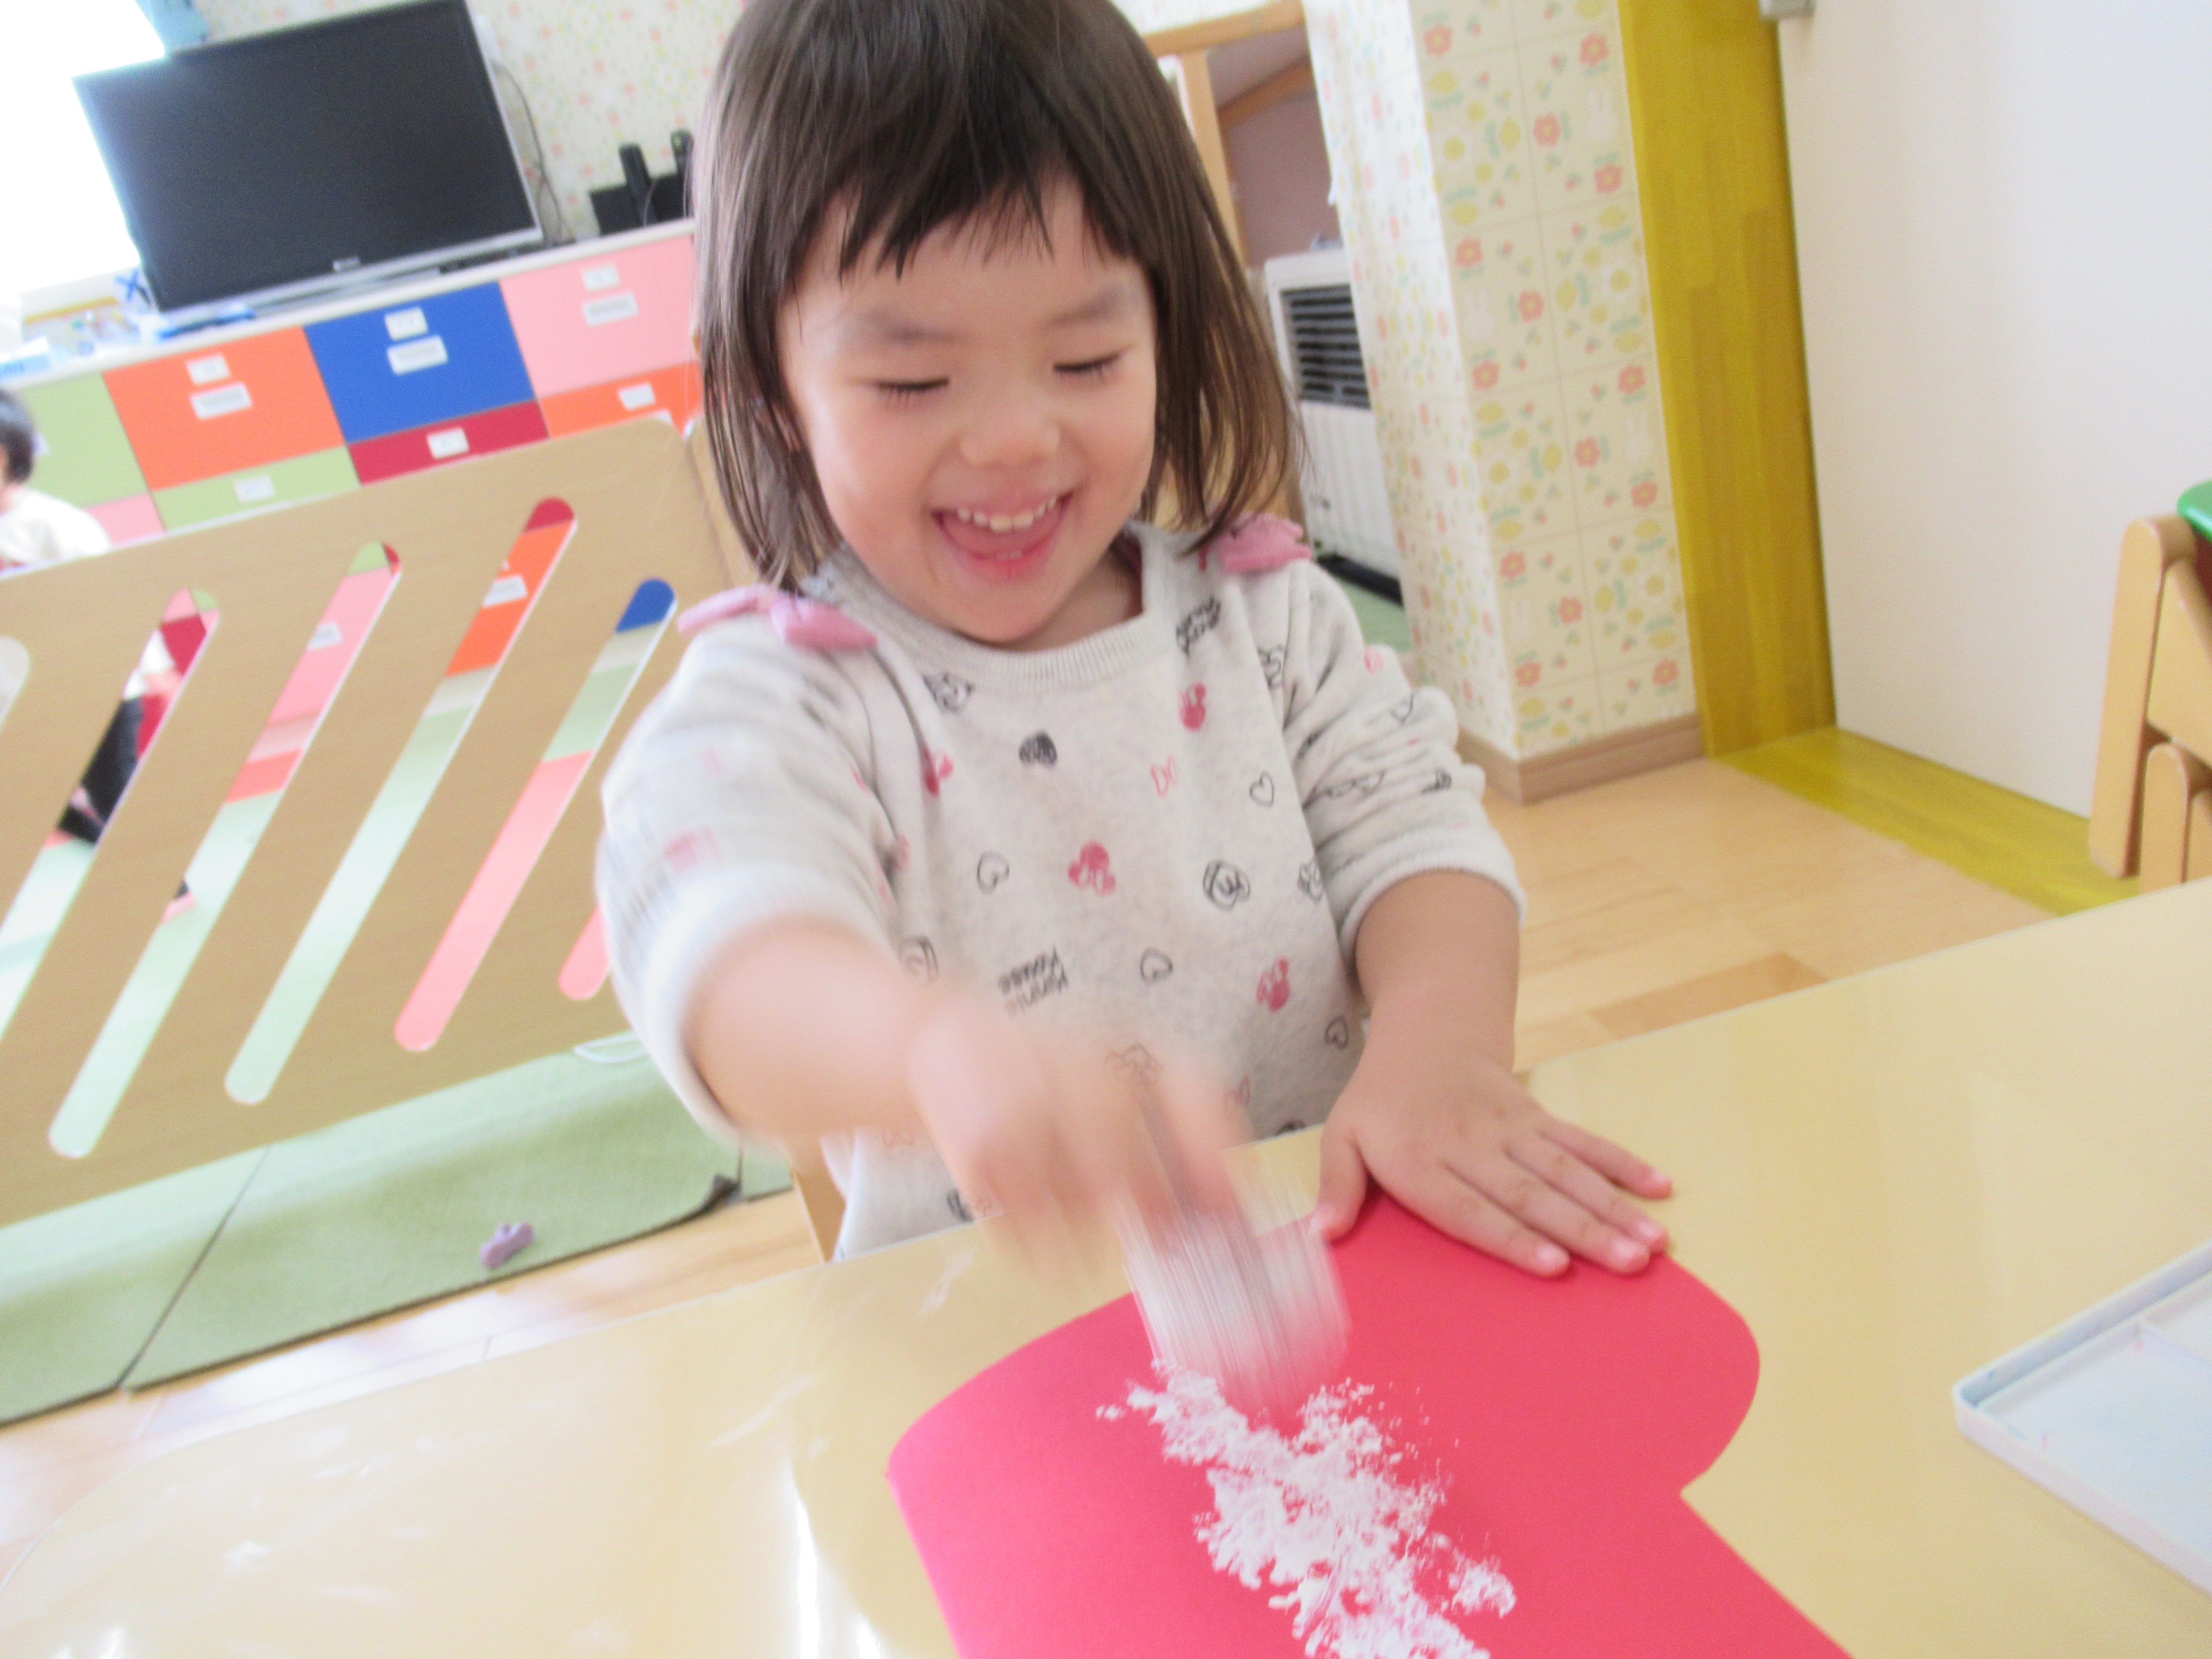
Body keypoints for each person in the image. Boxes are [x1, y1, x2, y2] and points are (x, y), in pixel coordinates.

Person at [598, 0, 1672, 1267]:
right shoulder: (791, 700)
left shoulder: (1268, 617)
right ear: (772, 393)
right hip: (997, 1326)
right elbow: (721, 950)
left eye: (1086, 360)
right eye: (911, 381)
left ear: (1164, 328)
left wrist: (1440, 1051)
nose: (1014, 438)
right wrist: (929, 1049)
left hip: (1334, 1260)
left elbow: (1421, 839)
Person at [0, 387, 167, 847]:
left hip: (98, 691)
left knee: (113, 793)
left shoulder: (55, 523)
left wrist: (153, 665)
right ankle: (109, 849)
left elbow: (119, 596)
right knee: (26, 792)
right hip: (24, 695)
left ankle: (161, 876)